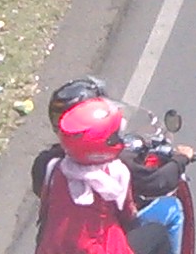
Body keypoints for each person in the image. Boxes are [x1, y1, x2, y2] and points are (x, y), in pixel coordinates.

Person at [36, 97, 142, 254]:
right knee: (163, 222)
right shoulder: (117, 173)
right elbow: (128, 216)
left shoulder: (53, 168)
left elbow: (45, 209)